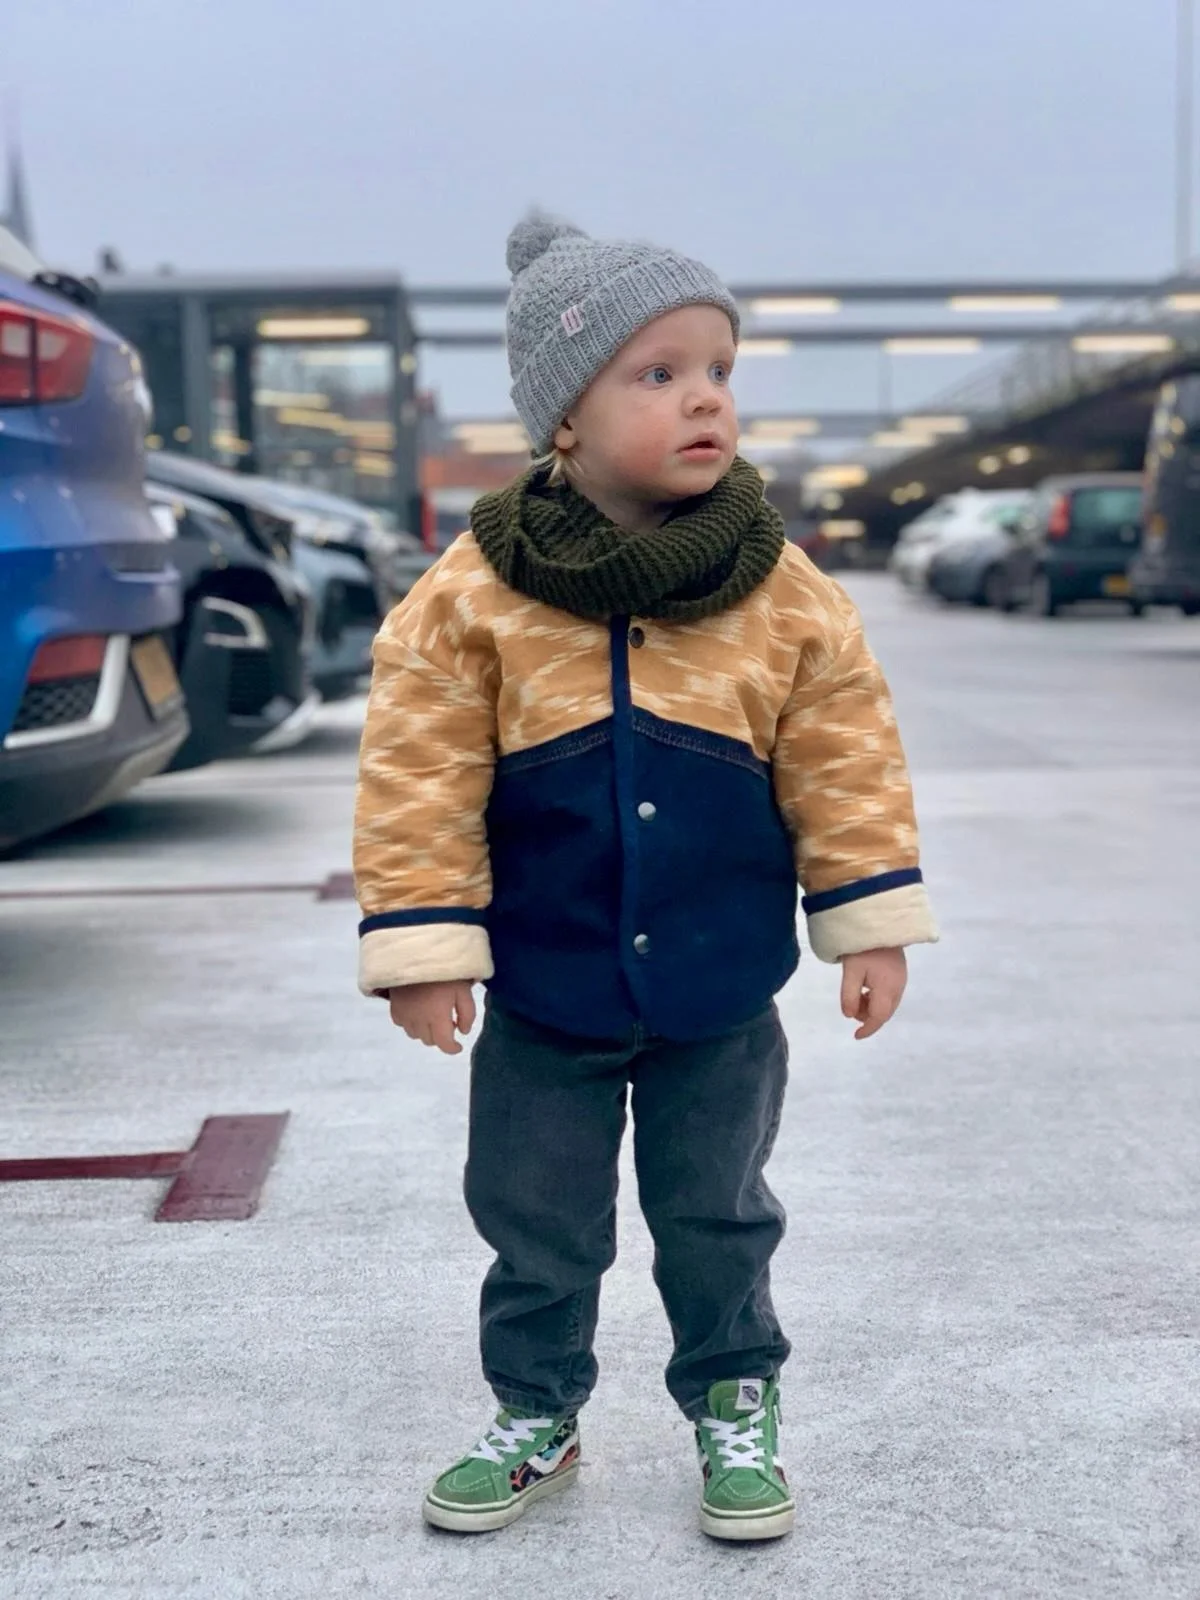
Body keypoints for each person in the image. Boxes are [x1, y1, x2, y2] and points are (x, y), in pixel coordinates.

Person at [353, 212, 938, 1542]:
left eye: (718, 371)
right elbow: (417, 775)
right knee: (535, 1217)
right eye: (658, 372)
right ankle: (537, 1408)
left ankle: (735, 1393)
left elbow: (846, 752)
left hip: (722, 987)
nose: (704, 398)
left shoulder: (776, 583)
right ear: (565, 416)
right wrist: (429, 944)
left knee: (718, 1211)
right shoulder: (474, 593)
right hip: (551, 986)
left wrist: (870, 923)